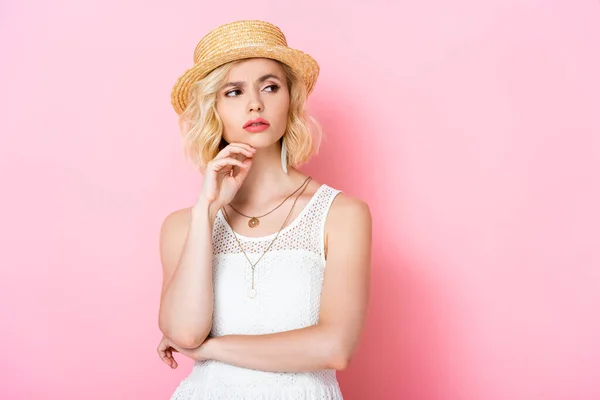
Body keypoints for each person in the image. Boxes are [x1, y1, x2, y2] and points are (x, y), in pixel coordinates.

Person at [156, 20, 372, 399]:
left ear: (290, 98)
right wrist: (206, 211)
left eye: (270, 86)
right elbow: (185, 332)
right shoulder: (183, 226)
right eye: (234, 91)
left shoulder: (342, 215)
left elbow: (335, 348)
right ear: (213, 109)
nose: (255, 102)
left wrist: (210, 349)